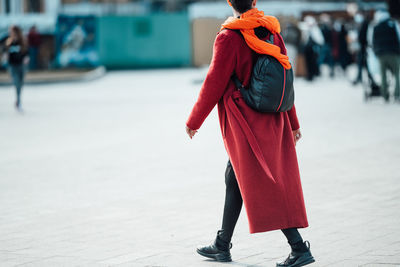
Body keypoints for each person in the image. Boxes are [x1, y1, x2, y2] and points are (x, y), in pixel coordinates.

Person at [185, 0, 314, 266]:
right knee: (234, 176)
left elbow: (213, 82)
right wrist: (293, 121)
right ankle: (222, 244)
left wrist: (194, 120)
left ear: (230, 3)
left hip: (246, 122)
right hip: (273, 119)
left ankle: (299, 248)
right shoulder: (271, 30)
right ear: (254, 2)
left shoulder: (229, 37)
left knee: (265, 182)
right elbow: (284, 80)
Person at [372, 9, 400, 102]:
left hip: (381, 54)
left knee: (383, 75)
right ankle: (397, 94)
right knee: (397, 74)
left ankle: (385, 95)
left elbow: (373, 41)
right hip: (393, 53)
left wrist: (375, 53)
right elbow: (399, 37)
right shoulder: (393, 25)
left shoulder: (376, 27)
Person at [5, 25, 28, 110]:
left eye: (11, 31)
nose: (10, 33)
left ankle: (18, 99)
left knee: (20, 83)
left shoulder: (22, 41)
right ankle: (18, 100)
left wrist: (26, 58)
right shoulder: (9, 42)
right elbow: (6, 52)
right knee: (16, 82)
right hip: (12, 65)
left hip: (21, 64)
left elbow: (26, 52)